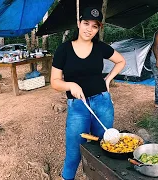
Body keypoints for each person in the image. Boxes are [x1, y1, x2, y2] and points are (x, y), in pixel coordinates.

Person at [50, 7, 126, 180]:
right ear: (78, 23)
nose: (89, 29)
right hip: (78, 108)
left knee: (103, 147)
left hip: (103, 103)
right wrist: (70, 85)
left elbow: (121, 61)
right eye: (86, 23)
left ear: (98, 29)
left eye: (94, 26)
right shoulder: (64, 50)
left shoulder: (100, 47)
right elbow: (55, 82)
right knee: (74, 152)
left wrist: (107, 80)